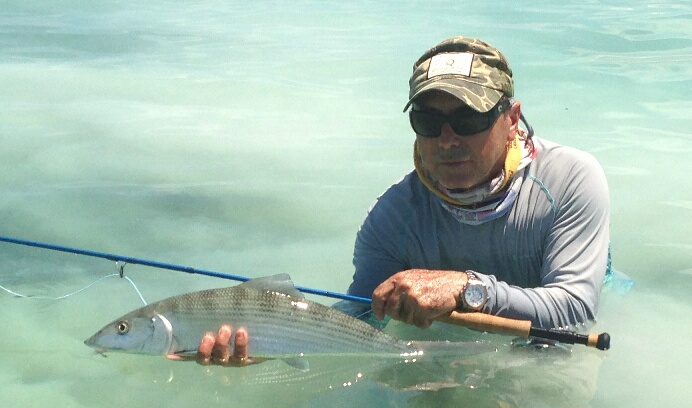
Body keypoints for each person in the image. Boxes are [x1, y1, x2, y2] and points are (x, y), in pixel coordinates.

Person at [195, 36, 611, 366]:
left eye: (469, 118)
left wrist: (465, 287)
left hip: (558, 341)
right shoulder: (391, 217)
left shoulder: (571, 178)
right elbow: (356, 318)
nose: (448, 139)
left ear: (512, 118)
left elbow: (575, 308)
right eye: (428, 121)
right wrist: (271, 343)